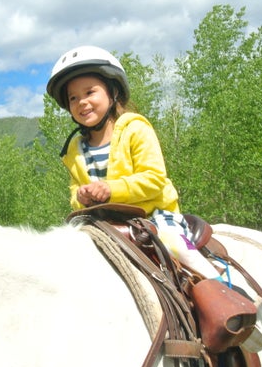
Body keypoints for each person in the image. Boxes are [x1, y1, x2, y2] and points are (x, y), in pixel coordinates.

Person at [46, 45, 220, 280]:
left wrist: (110, 189)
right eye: (73, 98)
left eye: (89, 92)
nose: (81, 102)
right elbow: (75, 189)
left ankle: (223, 291)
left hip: (154, 216)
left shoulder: (135, 128)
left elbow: (154, 180)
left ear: (113, 91)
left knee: (173, 245)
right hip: (105, 223)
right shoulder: (76, 148)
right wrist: (81, 197)